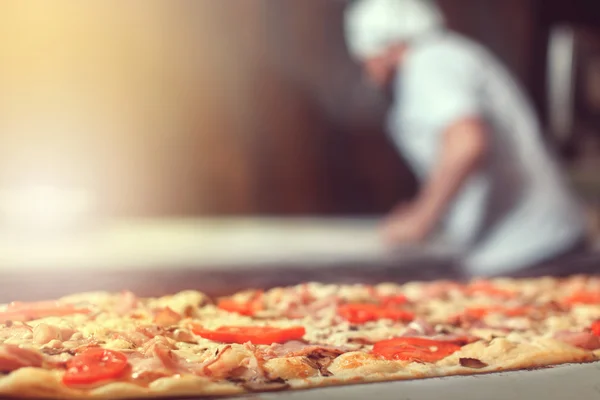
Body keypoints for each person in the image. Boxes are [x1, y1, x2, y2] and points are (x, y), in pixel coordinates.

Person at [344, 0, 590, 278]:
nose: (366, 69)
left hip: (529, 251)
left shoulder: (430, 61)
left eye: (365, 58)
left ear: (385, 48)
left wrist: (421, 219)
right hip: (531, 246)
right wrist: (419, 209)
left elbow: (466, 145)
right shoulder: (448, 57)